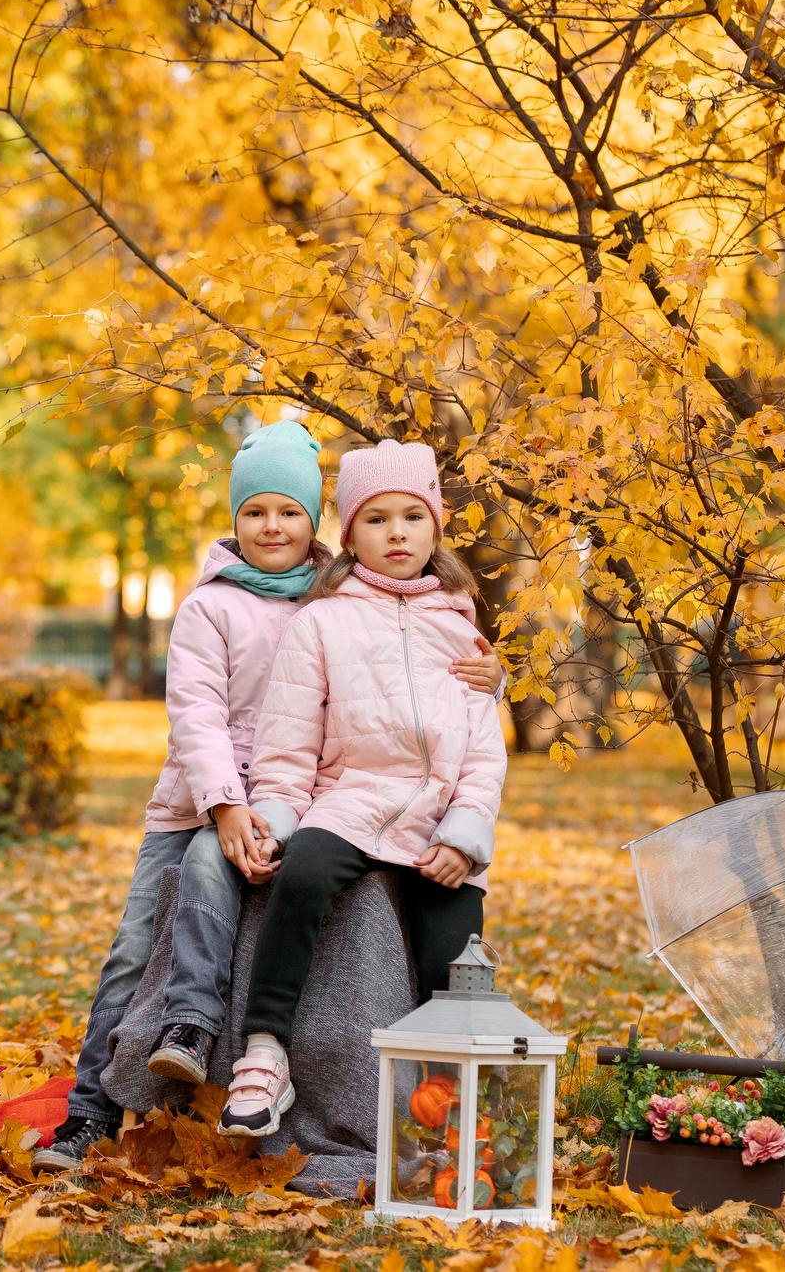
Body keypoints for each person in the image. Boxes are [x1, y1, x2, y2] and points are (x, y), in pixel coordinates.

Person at [30, 424, 501, 1173]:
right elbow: (197, 715)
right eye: (255, 512)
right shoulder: (213, 606)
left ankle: (446, 1117)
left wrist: (490, 675)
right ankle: (109, 1093)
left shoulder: (342, 594)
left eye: (289, 510)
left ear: (318, 522)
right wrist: (225, 807)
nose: (272, 526)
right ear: (235, 519)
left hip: (311, 799)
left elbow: (422, 674)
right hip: (208, 802)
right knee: (139, 941)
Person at [219, 438, 507, 1138]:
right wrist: (276, 818)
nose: (397, 532)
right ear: (349, 535)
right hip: (349, 802)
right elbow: (287, 743)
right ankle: (264, 1053)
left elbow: (482, 752)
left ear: (435, 526)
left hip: (437, 812)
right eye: (376, 519)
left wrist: (465, 838)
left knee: (453, 954)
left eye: (413, 515)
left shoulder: (461, 625)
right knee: (303, 878)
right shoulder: (321, 621)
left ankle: (454, 1105)